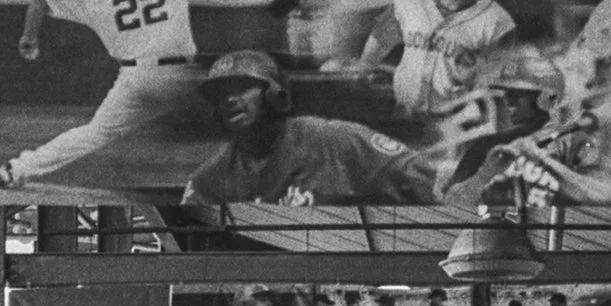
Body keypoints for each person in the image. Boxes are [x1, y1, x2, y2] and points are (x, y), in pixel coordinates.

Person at [0, 0, 290, 192]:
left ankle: (13, 171)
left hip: (136, 79)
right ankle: (279, 174)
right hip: (182, 77)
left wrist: (29, 36)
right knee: (247, 114)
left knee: (93, 134)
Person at [181, 51, 438, 207]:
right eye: (219, 94)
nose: (229, 99)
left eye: (242, 87)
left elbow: (426, 180)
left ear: (275, 94)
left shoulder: (336, 140)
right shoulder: (209, 179)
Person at [348, 0, 520, 115]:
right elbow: (374, 50)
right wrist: (360, 76)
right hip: (400, 115)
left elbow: (490, 91)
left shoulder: (498, 23)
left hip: (454, 123)